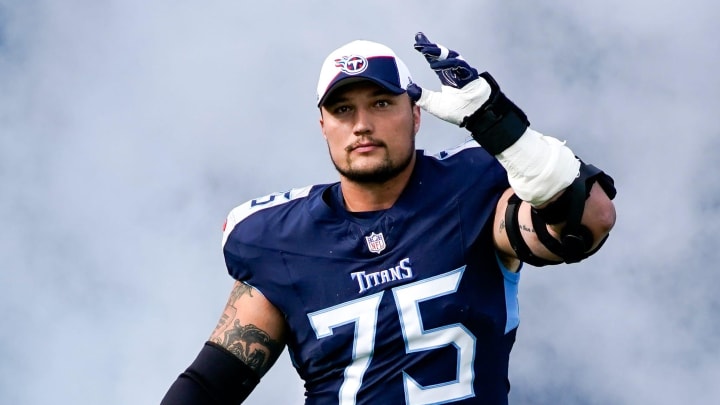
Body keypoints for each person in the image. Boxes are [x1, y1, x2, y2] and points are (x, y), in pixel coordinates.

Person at [161, 32, 617, 405]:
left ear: (415, 114)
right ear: (323, 124)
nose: (362, 124)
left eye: (381, 103)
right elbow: (210, 385)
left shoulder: (473, 187)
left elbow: (585, 224)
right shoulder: (278, 239)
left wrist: (502, 131)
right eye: (343, 109)